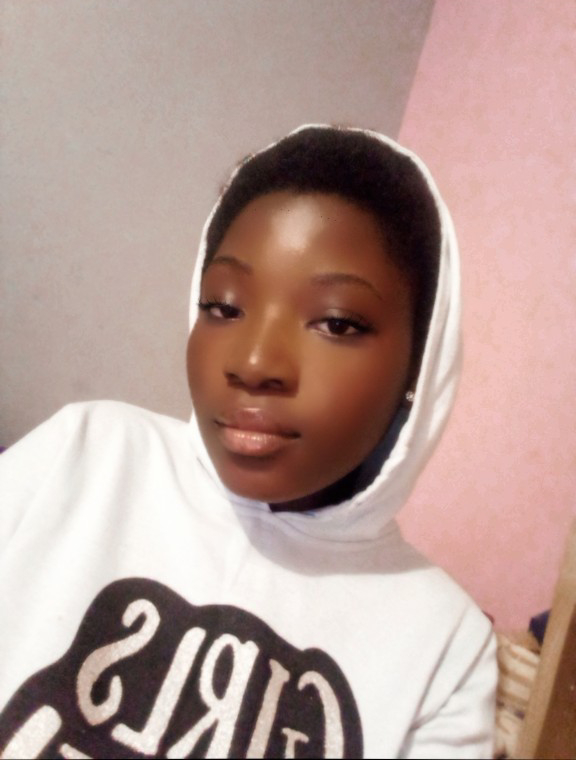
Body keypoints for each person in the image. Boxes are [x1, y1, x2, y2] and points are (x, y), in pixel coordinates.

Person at [0, 125, 497, 759]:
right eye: (225, 307)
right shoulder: (84, 456)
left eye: (336, 321)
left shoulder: (445, 645)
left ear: (418, 367)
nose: (255, 362)